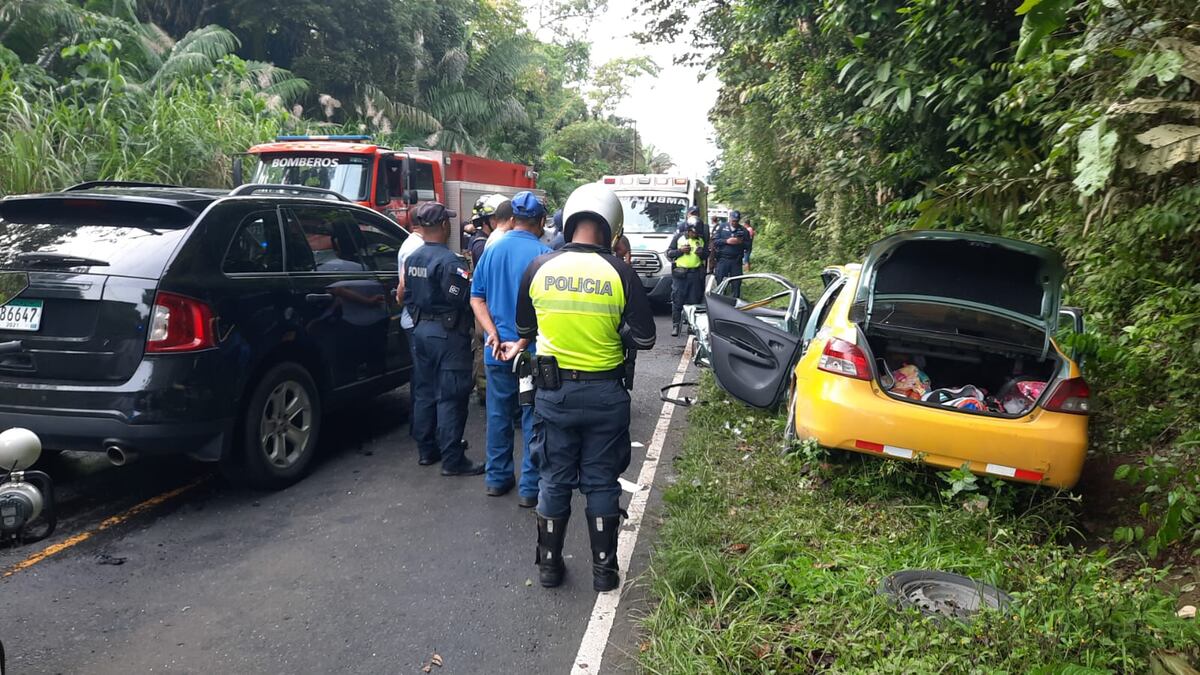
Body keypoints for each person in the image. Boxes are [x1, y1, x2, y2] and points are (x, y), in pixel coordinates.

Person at [503, 182, 656, 592]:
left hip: (554, 395)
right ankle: (604, 572)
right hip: (606, 396)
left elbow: (524, 328)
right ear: (612, 227)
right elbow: (645, 338)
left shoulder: (539, 268)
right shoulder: (621, 272)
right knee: (601, 483)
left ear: (568, 221)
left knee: (554, 480)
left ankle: (550, 568)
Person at [469, 191, 550, 506]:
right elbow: (545, 310)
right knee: (532, 416)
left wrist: (491, 333)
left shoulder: (492, 250)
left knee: (498, 415)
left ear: (513, 218)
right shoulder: (546, 254)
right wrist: (523, 342)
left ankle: (497, 479)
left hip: (497, 351)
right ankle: (530, 489)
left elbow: (477, 297)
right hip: (528, 353)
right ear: (541, 221)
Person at [401, 202, 485, 476]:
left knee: (424, 392)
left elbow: (407, 297)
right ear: (445, 226)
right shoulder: (450, 262)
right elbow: (460, 299)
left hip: (421, 331)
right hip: (447, 336)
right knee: (451, 395)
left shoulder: (413, 258)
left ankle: (427, 451)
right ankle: (452, 459)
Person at [666, 221, 707, 337]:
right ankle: (675, 325)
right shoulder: (678, 238)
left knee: (693, 301)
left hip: (695, 274)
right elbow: (669, 253)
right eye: (693, 232)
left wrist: (702, 253)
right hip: (680, 274)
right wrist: (680, 251)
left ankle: (691, 326)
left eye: (697, 233)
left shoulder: (701, 240)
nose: (695, 235)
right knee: (677, 300)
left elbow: (707, 254)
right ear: (688, 231)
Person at [712, 209, 751, 294]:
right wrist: (726, 241)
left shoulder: (744, 231)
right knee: (720, 281)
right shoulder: (721, 227)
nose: (734, 223)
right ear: (729, 218)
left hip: (736, 260)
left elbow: (748, 247)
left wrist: (740, 243)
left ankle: (735, 302)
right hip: (723, 259)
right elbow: (715, 241)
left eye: (736, 221)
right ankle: (720, 300)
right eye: (733, 220)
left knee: (736, 283)